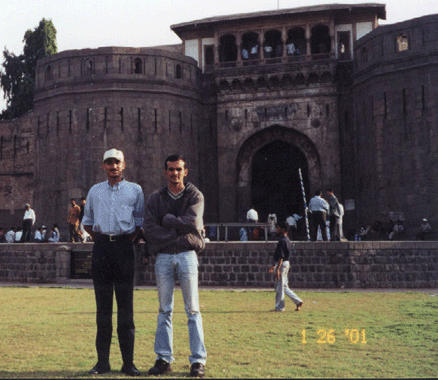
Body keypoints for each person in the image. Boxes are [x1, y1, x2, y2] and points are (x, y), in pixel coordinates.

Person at [82, 148, 145, 376]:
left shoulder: (135, 191)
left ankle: (128, 364)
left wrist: (123, 239)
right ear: (103, 166)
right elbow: (87, 222)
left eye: (117, 162)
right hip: (101, 248)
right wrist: (104, 238)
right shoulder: (95, 191)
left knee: (126, 309)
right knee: (103, 309)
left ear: (123, 165)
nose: (113, 167)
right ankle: (103, 363)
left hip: (124, 247)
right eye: (109, 163)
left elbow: (139, 221)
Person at [144, 154, 207, 378]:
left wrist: (168, 221)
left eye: (179, 169)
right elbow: (149, 229)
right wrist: (178, 234)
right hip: (163, 257)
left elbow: (194, 222)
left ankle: (198, 361)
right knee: (164, 310)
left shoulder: (194, 195)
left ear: (185, 171)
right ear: (165, 172)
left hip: (187, 255)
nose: (175, 173)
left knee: (192, 309)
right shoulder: (155, 198)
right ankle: (163, 358)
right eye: (171, 169)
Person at [268, 221, 303, 312]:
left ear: (283, 229)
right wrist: (273, 266)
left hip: (282, 264)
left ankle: (280, 307)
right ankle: (298, 301)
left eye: (278, 228)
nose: (276, 229)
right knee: (284, 286)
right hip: (285, 263)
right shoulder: (287, 240)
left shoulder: (282, 241)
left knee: (279, 287)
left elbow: (281, 256)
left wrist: (277, 269)